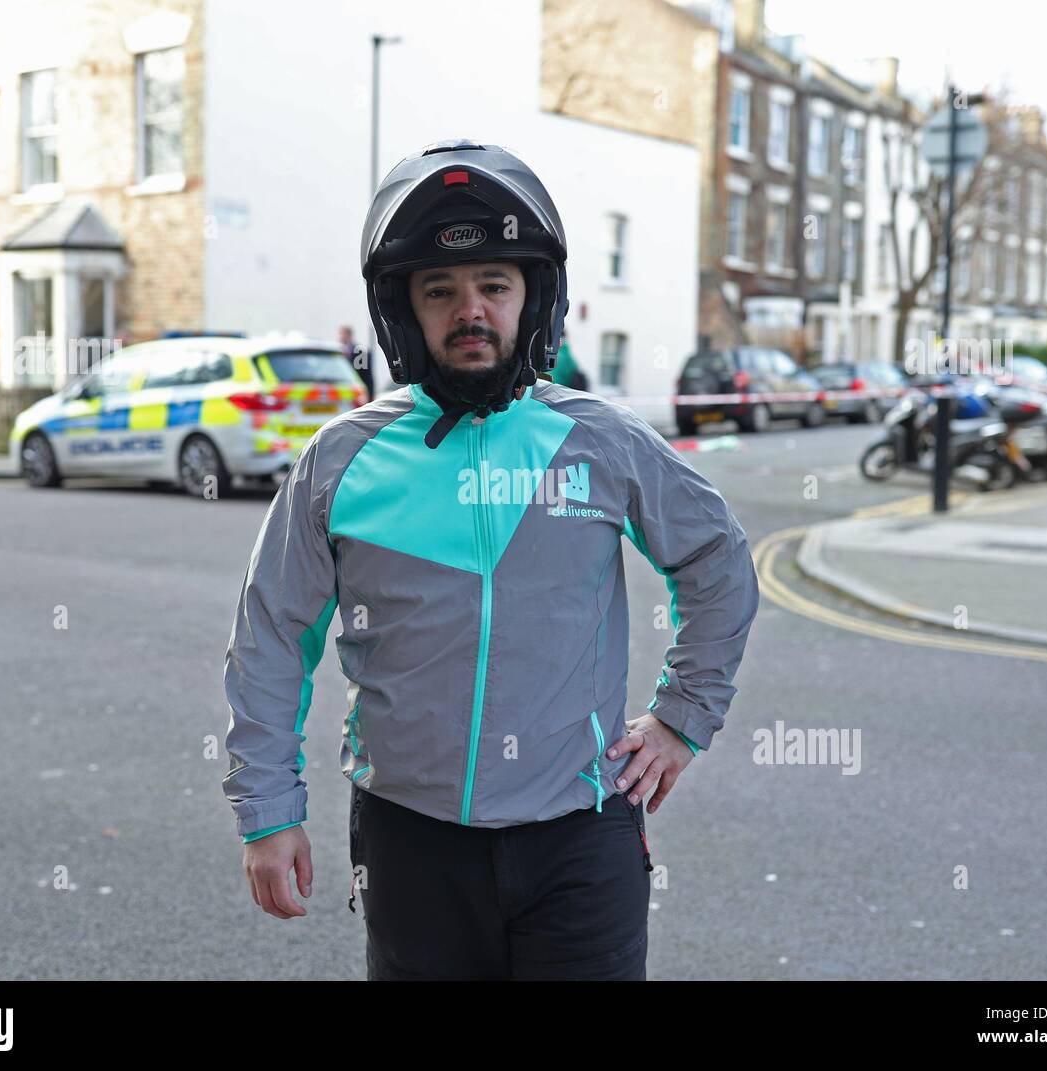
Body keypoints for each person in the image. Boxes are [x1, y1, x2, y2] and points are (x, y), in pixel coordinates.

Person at [222, 139, 760, 981]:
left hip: (580, 839)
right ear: (405, 310)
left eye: (494, 286)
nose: (469, 310)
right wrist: (267, 811)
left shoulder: (601, 441)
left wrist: (684, 714)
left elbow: (719, 561)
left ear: (533, 298)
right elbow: (270, 634)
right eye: (440, 290)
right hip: (410, 842)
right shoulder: (341, 458)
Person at [339, 324, 373, 401]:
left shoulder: (361, 352)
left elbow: (366, 376)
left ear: (349, 335)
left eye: (342, 334)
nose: (340, 337)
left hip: (359, 394)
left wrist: (370, 396)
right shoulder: (340, 351)